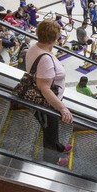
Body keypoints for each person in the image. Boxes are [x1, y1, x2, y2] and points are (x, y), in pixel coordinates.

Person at [25, 20, 73, 166]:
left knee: (53, 128)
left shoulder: (35, 48)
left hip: (48, 101)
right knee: (49, 131)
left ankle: (57, 146)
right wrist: (62, 108)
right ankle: (51, 161)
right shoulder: (45, 59)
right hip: (47, 103)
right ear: (53, 39)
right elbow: (44, 88)